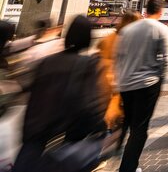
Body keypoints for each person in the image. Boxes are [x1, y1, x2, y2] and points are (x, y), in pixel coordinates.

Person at [13, 16, 105, 172]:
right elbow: (89, 105)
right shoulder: (87, 64)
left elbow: (31, 93)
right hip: (63, 138)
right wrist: (100, 128)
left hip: (35, 135)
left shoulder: (46, 62)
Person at [115, 0, 168, 172]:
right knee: (140, 129)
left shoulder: (127, 30)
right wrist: (159, 81)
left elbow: (118, 57)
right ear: (160, 11)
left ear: (146, 10)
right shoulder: (162, 29)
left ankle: (124, 156)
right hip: (147, 84)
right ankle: (128, 167)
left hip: (125, 83)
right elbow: (166, 61)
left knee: (131, 123)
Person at [97, 10, 141, 149]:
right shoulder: (133, 41)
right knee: (124, 116)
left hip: (104, 82)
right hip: (124, 83)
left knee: (108, 115)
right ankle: (114, 143)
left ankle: (106, 139)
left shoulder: (110, 37)